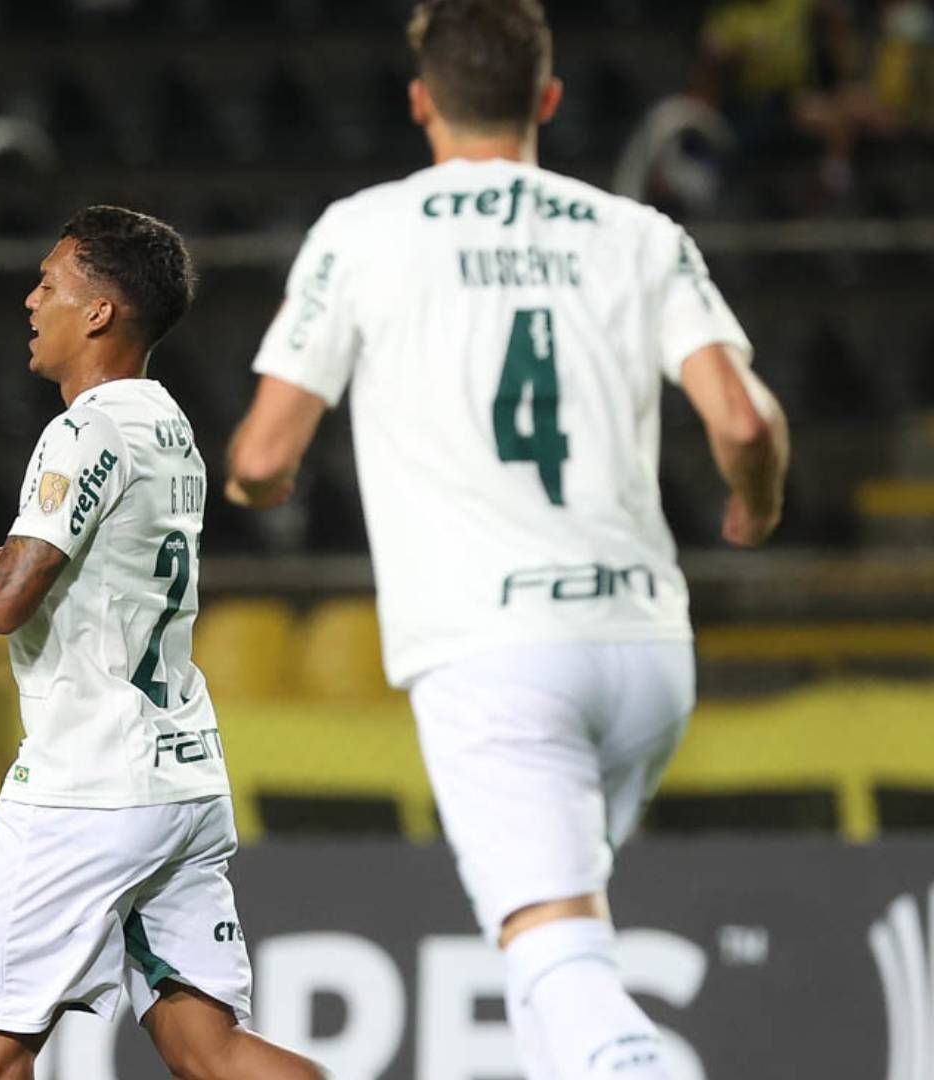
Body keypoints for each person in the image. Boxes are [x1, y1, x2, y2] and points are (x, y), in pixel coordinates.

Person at [224, 3, 791, 1077]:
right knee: (553, 946)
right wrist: (754, 507)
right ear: (546, 101)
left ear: (420, 101)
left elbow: (260, 453)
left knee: (561, 964)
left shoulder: (365, 231)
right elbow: (746, 420)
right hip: (646, 654)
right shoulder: (638, 234)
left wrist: (269, 481)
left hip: (495, 654)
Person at [0, 206, 326, 1080]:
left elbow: (4, 599)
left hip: (90, 787)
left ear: (100, 311)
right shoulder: (163, 424)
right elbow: (25, 557)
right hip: (179, 777)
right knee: (207, 1047)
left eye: (49, 282)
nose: (31, 299)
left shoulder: (86, 430)